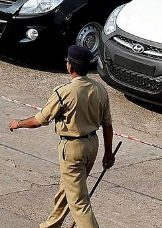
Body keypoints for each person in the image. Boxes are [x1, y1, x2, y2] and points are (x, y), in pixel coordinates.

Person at [9, 45, 115, 228]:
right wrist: (108, 153)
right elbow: (107, 125)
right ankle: (50, 225)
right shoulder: (100, 89)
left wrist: (17, 123)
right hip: (92, 145)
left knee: (79, 203)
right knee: (67, 190)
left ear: (70, 67)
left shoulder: (64, 92)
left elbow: (39, 120)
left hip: (72, 148)